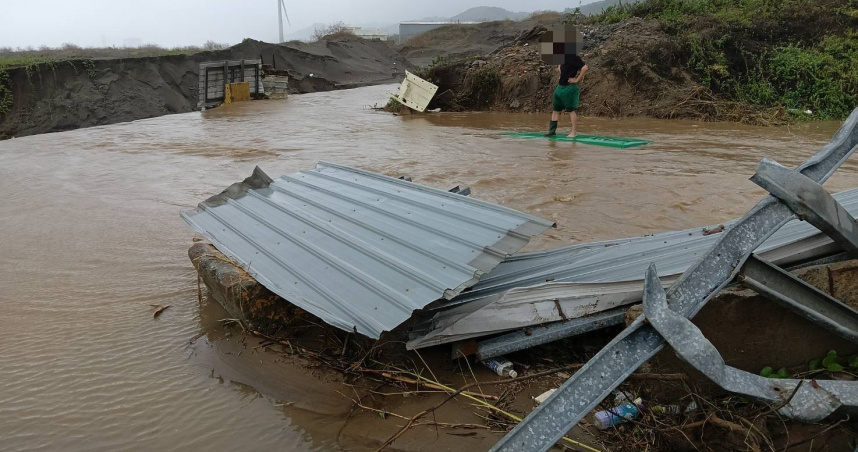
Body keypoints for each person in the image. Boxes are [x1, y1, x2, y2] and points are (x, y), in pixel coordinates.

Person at [545, 54, 588, 137]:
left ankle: (573, 133)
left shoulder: (574, 57)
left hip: (570, 87)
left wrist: (577, 79)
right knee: (555, 109)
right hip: (560, 87)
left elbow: (585, 68)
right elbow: (560, 68)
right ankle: (552, 131)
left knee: (570, 110)